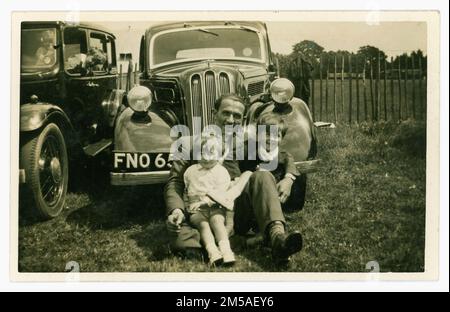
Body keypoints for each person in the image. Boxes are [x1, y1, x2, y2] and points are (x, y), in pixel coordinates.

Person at [164, 94, 303, 265]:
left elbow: (283, 156)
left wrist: (288, 178)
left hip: (238, 213)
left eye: (237, 116)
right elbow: (175, 182)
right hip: (202, 210)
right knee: (186, 240)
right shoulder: (189, 144)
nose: (231, 120)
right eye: (226, 113)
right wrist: (175, 210)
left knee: (262, 174)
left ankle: (277, 237)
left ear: (243, 119)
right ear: (214, 113)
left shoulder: (249, 144)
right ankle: (241, 241)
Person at [183, 134, 251, 266]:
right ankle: (213, 252)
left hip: (215, 207)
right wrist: (187, 206)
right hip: (196, 210)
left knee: (217, 221)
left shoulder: (221, 172)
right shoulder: (190, 171)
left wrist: (204, 201)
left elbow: (221, 194)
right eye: (202, 153)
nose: (207, 158)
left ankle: (226, 251)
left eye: (212, 152)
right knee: (203, 225)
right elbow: (186, 190)